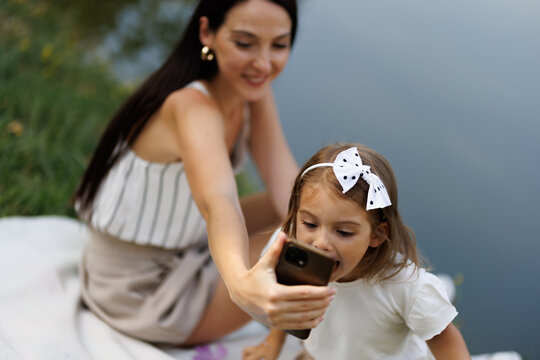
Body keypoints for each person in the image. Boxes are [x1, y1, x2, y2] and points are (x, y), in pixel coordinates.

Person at [73, 0, 336, 346]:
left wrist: (345, 230)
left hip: (187, 245)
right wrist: (240, 282)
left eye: (279, 45)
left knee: (310, 216)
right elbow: (218, 201)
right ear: (206, 33)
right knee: (302, 247)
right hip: (138, 292)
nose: (263, 63)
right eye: (244, 43)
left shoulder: (251, 91)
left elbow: (288, 183)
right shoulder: (191, 107)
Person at [243, 143, 471, 359]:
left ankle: (446, 287)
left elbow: (446, 340)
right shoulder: (292, 251)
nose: (320, 243)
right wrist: (273, 342)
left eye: (343, 232)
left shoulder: (405, 287)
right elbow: (290, 298)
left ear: (377, 235)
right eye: (310, 224)